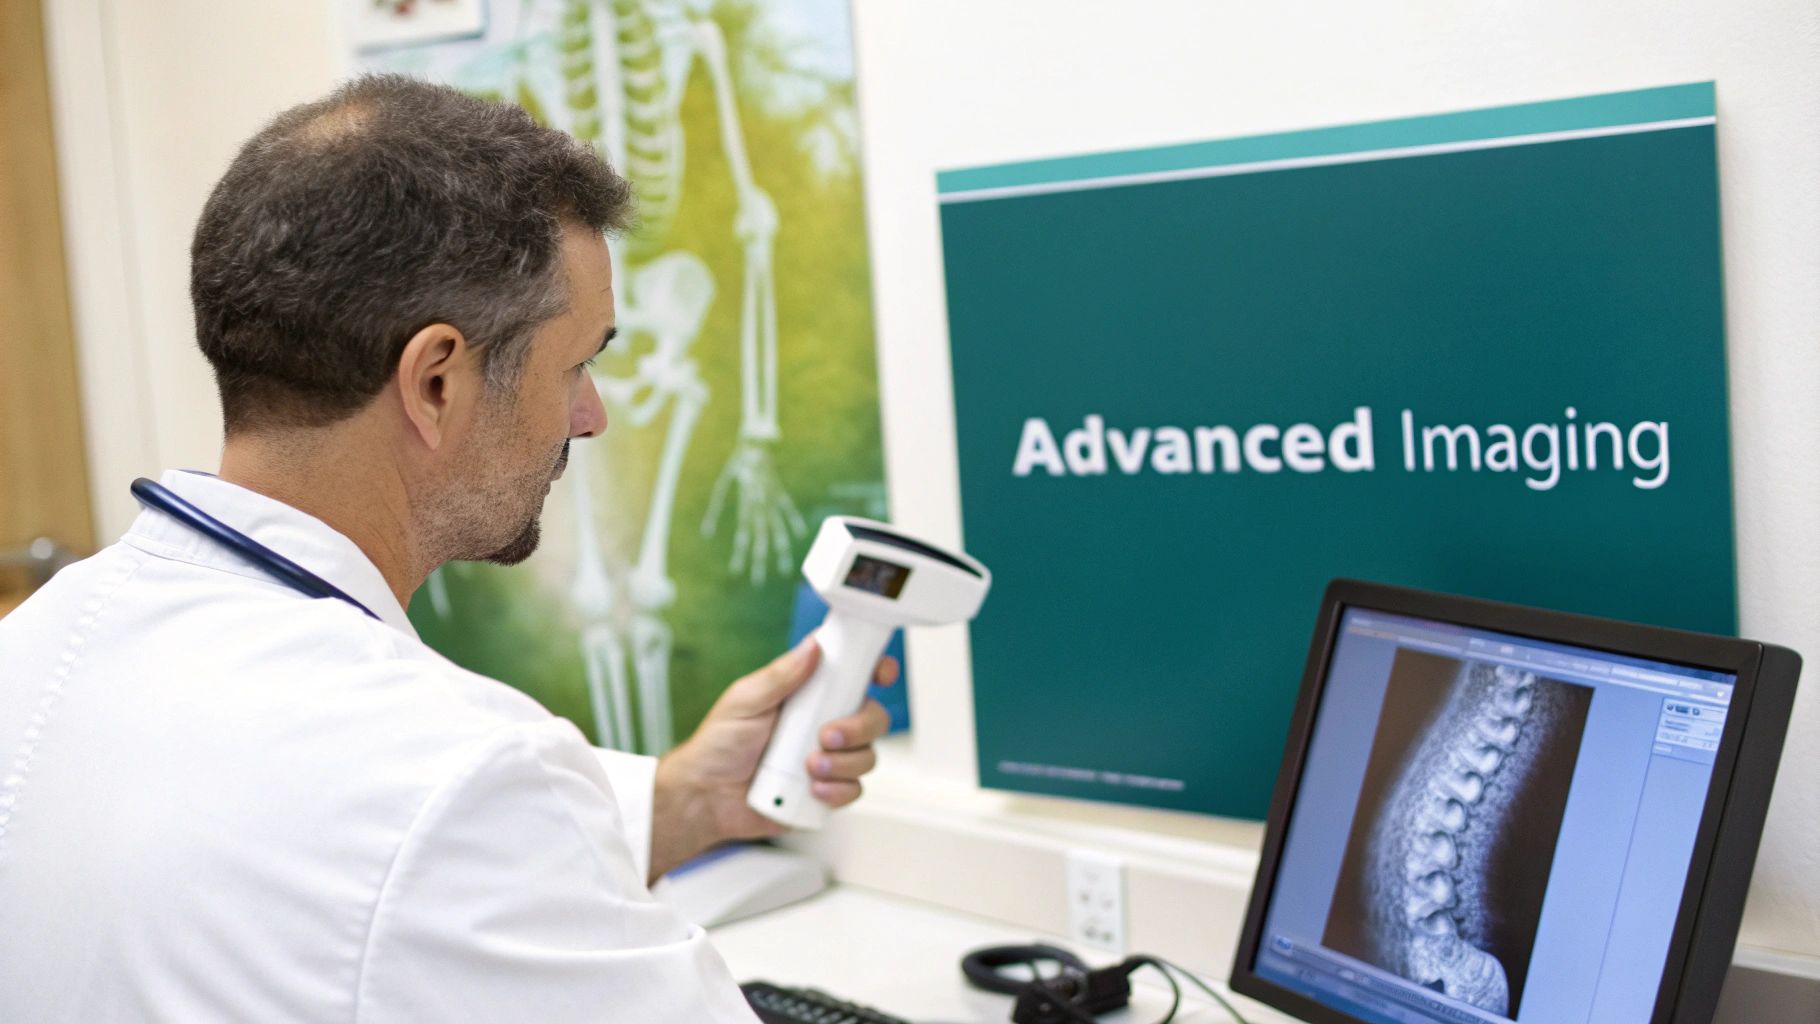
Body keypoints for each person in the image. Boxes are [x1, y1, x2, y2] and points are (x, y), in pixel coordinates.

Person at [0, 75, 893, 1022]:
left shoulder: (32, 650)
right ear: (434, 381)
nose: (589, 417)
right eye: (577, 363)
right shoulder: (459, 774)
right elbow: (419, 849)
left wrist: (685, 802)